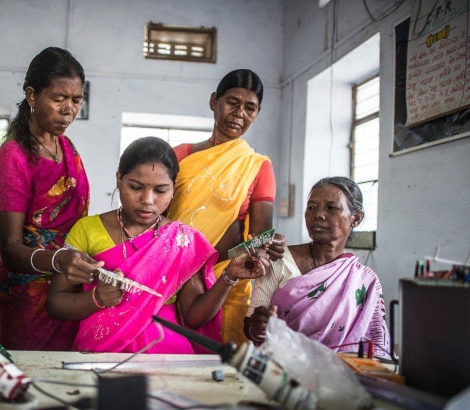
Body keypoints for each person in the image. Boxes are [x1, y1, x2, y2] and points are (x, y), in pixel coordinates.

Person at [47, 137, 270, 353]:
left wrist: (229, 276)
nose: (147, 200)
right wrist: (96, 299)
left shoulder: (182, 240)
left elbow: (193, 316)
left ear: (173, 189)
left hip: (167, 352)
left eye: (160, 190)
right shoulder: (87, 229)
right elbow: (56, 303)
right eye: (135, 187)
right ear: (119, 180)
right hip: (102, 355)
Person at [167, 69, 283, 345]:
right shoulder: (180, 155)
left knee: (224, 370)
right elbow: (157, 219)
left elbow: (260, 240)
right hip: (172, 275)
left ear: (257, 113)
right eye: (232, 102)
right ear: (213, 101)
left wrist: (264, 248)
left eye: (250, 107)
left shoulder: (258, 166)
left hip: (228, 282)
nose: (239, 113)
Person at [0, 46, 91, 350]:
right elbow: (11, 248)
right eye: (58, 98)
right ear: (32, 95)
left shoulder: (67, 147)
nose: (68, 109)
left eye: (76, 100)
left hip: (68, 283)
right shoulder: (12, 160)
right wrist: (58, 260)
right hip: (28, 295)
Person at [245, 177, 390, 357]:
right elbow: (251, 327)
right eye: (311, 207)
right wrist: (258, 326)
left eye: (331, 208)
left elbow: (375, 346)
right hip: (284, 369)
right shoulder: (279, 261)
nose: (318, 215)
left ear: (356, 218)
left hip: (344, 374)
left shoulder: (366, 281)